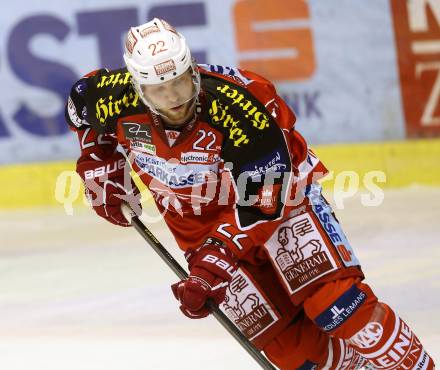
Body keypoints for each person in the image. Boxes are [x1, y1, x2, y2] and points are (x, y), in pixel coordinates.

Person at [65, 18, 435, 370]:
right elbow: (79, 103)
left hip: (285, 209)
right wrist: (98, 157)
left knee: (340, 308)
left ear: (193, 69)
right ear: (138, 86)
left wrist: (216, 261)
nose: (174, 97)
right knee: (295, 353)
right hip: (200, 231)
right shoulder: (112, 97)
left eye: (179, 82)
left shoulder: (240, 105)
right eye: (159, 90)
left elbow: (265, 198)